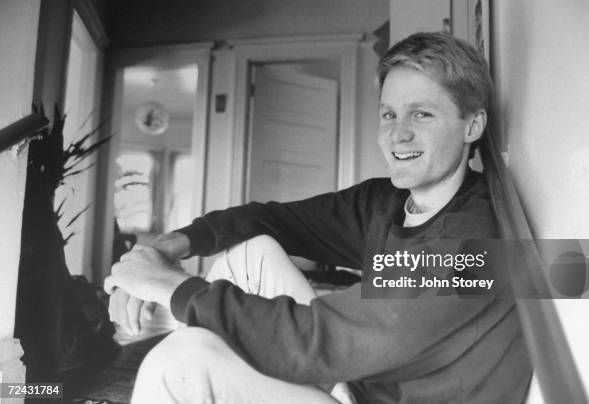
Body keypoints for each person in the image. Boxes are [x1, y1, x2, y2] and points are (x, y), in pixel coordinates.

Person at [104, 32, 532, 403]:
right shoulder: (383, 202)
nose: (397, 133)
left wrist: (169, 285)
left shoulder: (474, 243)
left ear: (473, 126)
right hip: (362, 383)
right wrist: (165, 248)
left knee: (181, 363)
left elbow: (317, 341)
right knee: (254, 252)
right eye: (389, 113)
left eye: (422, 113)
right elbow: (270, 219)